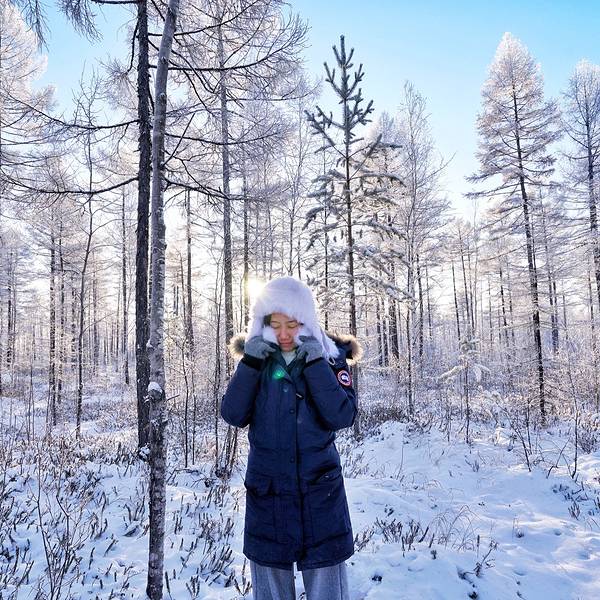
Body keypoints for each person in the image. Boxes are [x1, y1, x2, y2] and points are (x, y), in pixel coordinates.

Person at [221, 276, 362, 600]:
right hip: (268, 496)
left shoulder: (330, 356)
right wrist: (251, 363)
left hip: (320, 495)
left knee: (327, 590)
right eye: (275, 325)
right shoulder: (257, 357)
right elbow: (233, 414)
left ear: (306, 320)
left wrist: (315, 364)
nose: (284, 334)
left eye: (292, 324)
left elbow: (341, 416)